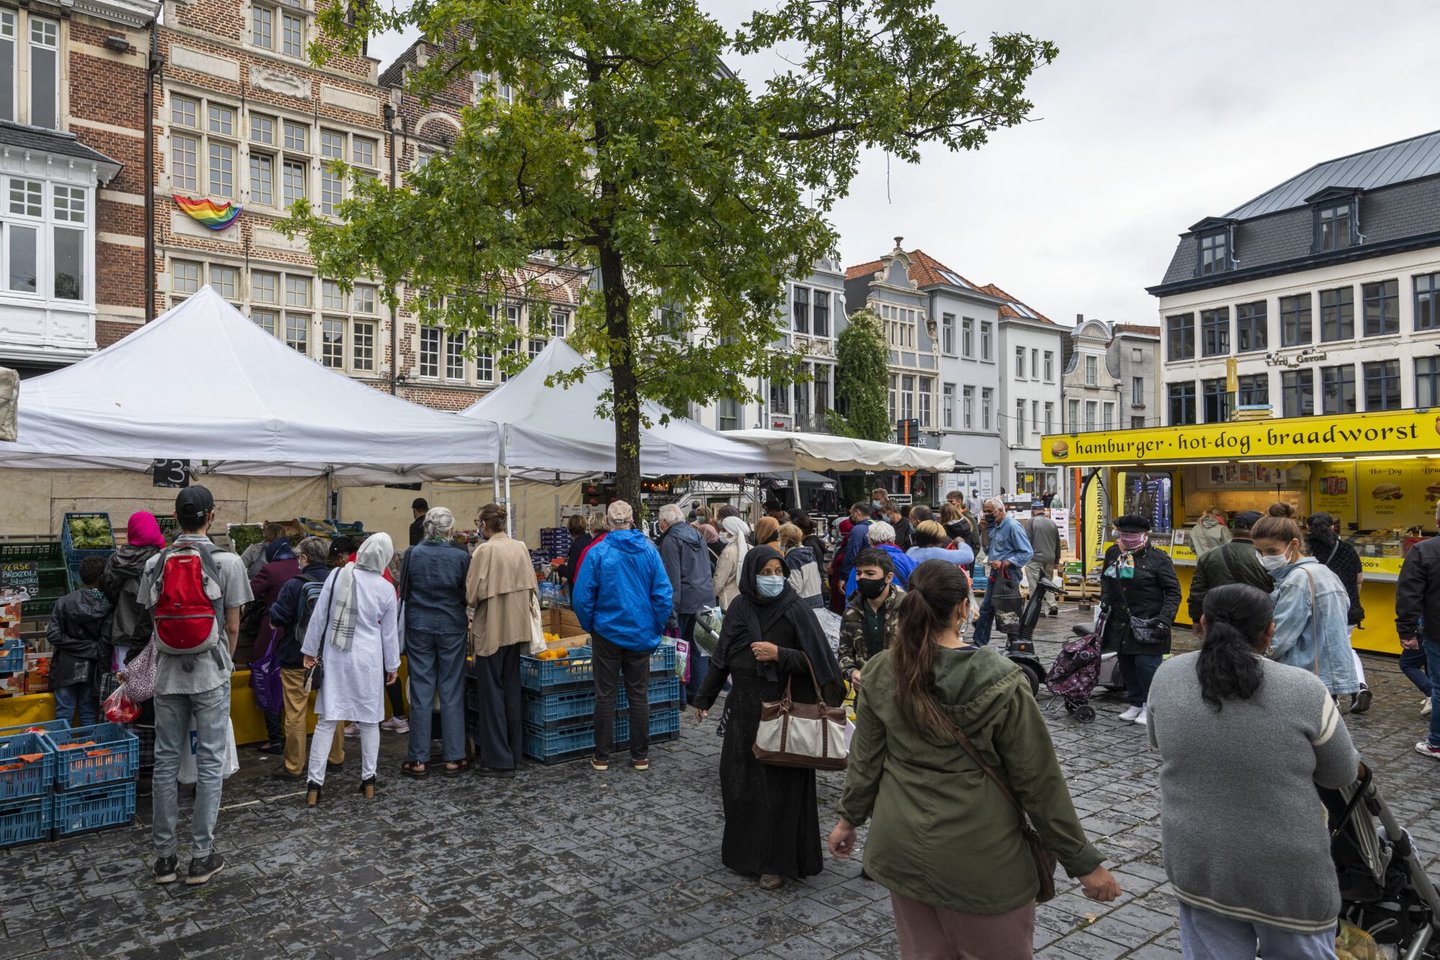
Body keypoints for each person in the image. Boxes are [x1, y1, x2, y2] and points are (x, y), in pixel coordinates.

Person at [830, 560, 1119, 958]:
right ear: (964, 608)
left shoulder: (882, 669)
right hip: (982, 858)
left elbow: (865, 762)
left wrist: (848, 820)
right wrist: (1083, 862)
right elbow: (1038, 781)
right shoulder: (999, 677)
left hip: (901, 846)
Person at [1148, 583, 1361, 959]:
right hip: (1287, 875)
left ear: (1201, 623)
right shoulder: (1304, 689)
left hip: (1198, 860)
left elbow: (1159, 742)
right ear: (1270, 630)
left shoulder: (1167, 677)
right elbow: (1341, 775)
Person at [693, 546, 845, 891]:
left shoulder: (795, 609)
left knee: (777, 790)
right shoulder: (740, 607)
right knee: (738, 783)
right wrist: (704, 697)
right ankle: (745, 854)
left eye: (779, 571)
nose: (774, 578)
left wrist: (781, 655)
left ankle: (776, 862)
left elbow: (822, 664)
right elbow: (722, 655)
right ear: (752, 574)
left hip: (781, 713)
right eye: (767, 571)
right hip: (744, 711)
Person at [140, 485, 252, 887]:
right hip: (211, 672)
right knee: (209, 763)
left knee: (166, 762)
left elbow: (151, 617)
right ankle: (201, 857)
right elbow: (235, 624)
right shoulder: (228, 561)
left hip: (167, 673)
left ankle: (164, 858)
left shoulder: (155, 562)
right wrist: (224, 657)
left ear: (176, 517)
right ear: (211, 515)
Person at [572, 500, 672, 773]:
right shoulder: (649, 551)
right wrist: (655, 626)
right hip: (640, 631)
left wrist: (590, 624)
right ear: (632, 520)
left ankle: (602, 756)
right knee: (638, 694)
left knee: (605, 694)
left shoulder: (599, 552)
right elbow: (663, 595)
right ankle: (640, 755)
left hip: (607, 632)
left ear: (608, 522)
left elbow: (582, 596)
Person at [300, 533, 400, 806]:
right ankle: (368, 780)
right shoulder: (385, 588)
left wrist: (309, 652)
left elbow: (320, 615)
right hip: (369, 660)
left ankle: (314, 784)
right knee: (369, 722)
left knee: (327, 721)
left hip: (337, 656)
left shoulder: (336, 576)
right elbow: (389, 635)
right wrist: (392, 665)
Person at [1251, 515, 1360, 707]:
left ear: (1293, 544)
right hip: (1324, 674)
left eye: (1272, 551)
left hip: (1303, 673)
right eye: (1259, 551)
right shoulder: (1324, 573)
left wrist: (1253, 658)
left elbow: (1280, 637)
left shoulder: (1297, 581)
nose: (1265, 557)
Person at [464, 504, 537, 778]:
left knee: (492, 695)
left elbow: (471, 595)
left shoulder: (485, 550)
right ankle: (514, 753)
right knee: (511, 690)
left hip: (492, 630)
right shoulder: (519, 547)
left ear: (485, 525)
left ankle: (498, 759)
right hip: (517, 628)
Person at [399, 507, 471, 778]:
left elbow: (404, 590)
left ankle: (418, 758)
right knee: (452, 687)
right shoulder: (460, 555)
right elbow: (467, 593)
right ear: (450, 529)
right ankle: (455, 756)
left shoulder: (413, 554)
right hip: (452, 623)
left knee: (421, 687)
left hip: (419, 624)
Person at [267, 536, 345, 781]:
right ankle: (335, 757)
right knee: (333, 708)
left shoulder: (293, 585)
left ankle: (294, 765)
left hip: (297, 655)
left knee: (295, 712)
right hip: (333, 655)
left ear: (304, 558)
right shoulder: (340, 581)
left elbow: (277, 619)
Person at [1100, 515, 1181, 726]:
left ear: (1144, 536)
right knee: (1126, 664)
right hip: (1121, 622)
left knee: (1146, 665)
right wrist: (1105, 601)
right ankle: (1135, 702)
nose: (1128, 540)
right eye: (1124, 535)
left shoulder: (1158, 559)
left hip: (1150, 622)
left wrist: (1165, 619)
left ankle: (1150, 705)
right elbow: (1106, 580)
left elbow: (1173, 592)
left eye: (1133, 536)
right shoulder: (1113, 553)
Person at [1308, 512, 1370, 713]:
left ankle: (1331, 696)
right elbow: (1359, 579)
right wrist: (1349, 601)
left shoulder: (1305, 549)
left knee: (1321, 650)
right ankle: (1359, 686)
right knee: (1346, 646)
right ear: (1333, 526)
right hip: (1349, 609)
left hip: (1318, 607)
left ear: (1309, 528)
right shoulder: (1347, 549)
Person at [656, 503, 715, 705]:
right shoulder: (697, 535)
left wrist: (670, 613)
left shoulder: (671, 540)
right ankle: (697, 694)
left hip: (683, 604)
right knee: (699, 650)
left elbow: (671, 580)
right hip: (704, 599)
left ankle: (679, 696)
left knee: (678, 650)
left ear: (664, 522)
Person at [249, 536, 301, 754]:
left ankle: (275, 738)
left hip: (273, 631)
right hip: (299, 634)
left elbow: (248, 592)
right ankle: (293, 738)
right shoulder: (300, 566)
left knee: (268, 679)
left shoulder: (270, 569)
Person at [48, 555, 112, 727]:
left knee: (63, 714)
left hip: (65, 667)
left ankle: (60, 752)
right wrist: (92, 648)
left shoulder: (63, 602)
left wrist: (76, 647)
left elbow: (53, 635)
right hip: (92, 667)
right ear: (102, 577)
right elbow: (106, 642)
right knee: (88, 713)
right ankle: (90, 752)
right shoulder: (108, 606)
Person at [1397, 498, 1440, 756]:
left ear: (1437, 520)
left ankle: (1436, 743)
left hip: (1436, 630)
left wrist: (1406, 630)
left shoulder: (1424, 551)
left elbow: (1408, 594)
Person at [1186, 510, 1271, 628]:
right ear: (1259, 530)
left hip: (1219, 622)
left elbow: (1198, 593)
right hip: (1256, 622)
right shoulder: (1268, 557)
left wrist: (1196, 619)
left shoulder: (1207, 557)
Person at [972, 499, 1034, 648]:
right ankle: (979, 642)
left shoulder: (1012, 526)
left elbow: (1027, 552)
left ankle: (1015, 642)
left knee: (1008, 609)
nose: (987, 514)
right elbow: (988, 550)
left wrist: (1005, 562)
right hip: (995, 573)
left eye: (990, 512)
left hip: (1008, 574)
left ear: (1000, 511)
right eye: (985, 511)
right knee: (987, 608)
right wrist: (985, 530)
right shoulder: (995, 526)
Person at [839, 548, 904, 687]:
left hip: (901, 694)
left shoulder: (908, 607)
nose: (862, 578)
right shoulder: (852, 612)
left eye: (870, 573)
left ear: (888, 577)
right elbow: (844, 653)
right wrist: (852, 672)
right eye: (858, 573)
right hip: (865, 695)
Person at [844, 521, 918, 596]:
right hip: (904, 604)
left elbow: (851, 593)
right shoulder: (910, 561)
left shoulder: (864, 562)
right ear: (893, 538)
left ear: (870, 540)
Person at [1020, 505, 1061, 617]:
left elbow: (1027, 541)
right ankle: (1053, 604)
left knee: (1034, 584)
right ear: (1043, 511)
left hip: (1035, 558)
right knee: (1048, 581)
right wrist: (1056, 559)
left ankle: (1039, 609)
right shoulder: (1052, 523)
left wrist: (1023, 557)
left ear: (1033, 511)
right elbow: (1058, 543)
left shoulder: (1031, 522)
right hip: (1050, 558)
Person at [777, 522, 824, 608]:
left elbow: (794, 587)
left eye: (779, 536)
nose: (778, 539)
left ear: (785, 539)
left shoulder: (793, 558)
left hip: (804, 603)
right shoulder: (808, 554)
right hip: (817, 599)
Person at [713, 515, 750, 610]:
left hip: (728, 599)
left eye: (724, 530)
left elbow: (719, 580)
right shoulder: (750, 548)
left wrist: (712, 594)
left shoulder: (728, 552)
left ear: (731, 532)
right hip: (746, 598)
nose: (721, 533)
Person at [906, 520, 974, 569]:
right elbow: (968, 556)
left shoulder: (911, 550)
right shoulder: (932, 553)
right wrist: (960, 542)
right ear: (937, 540)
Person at [560, 513, 593, 587]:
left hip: (580, 586)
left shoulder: (576, 545)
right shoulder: (591, 540)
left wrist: (559, 568)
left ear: (570, 529)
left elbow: (570, 573)